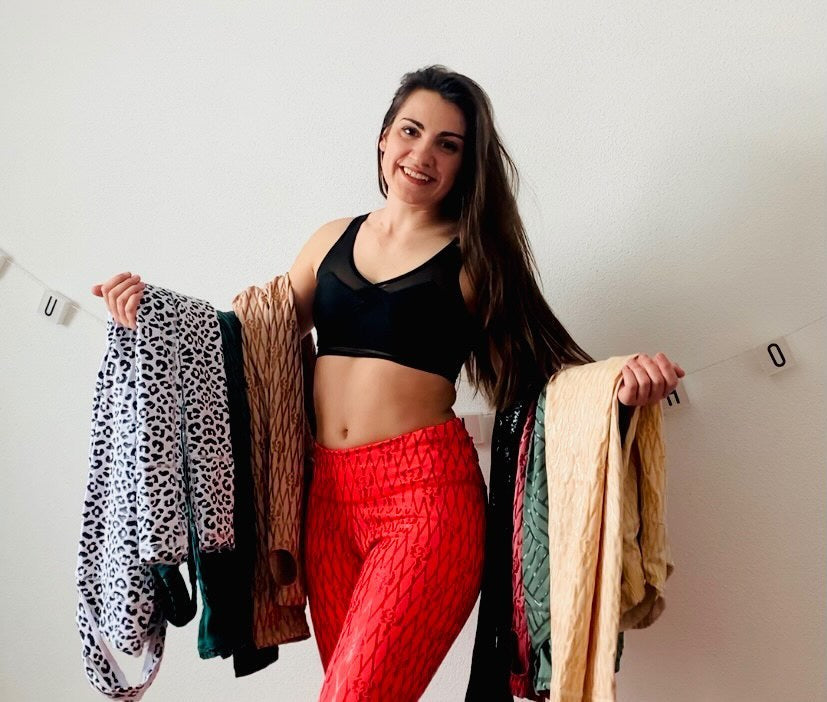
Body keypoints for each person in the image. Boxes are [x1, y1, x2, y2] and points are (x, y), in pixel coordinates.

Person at [92, 65, 684, 702]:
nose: (422, 154)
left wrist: (621, 384)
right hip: (326, 504)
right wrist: (158, 314)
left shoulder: (478, 259)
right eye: (411, 131)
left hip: (425, 499)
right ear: (383, 139)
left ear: (465, 164)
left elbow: (545, 372)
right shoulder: (331, 240)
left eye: (447, 144)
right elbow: (251, 339)